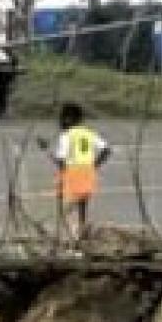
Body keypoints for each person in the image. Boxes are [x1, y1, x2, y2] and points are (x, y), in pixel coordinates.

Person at [48, 102, 110, 243]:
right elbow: (107, 150)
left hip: (72, 172)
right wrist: (94, 165)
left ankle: (73, 240)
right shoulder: (89, 133)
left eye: (62, 118)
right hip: (88, 173)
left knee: (67, 210)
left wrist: (48, 152)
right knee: (82, 208)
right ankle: (81, 236)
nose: (59, 122)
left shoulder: (66, 135)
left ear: (69, 119)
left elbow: (61, 161)